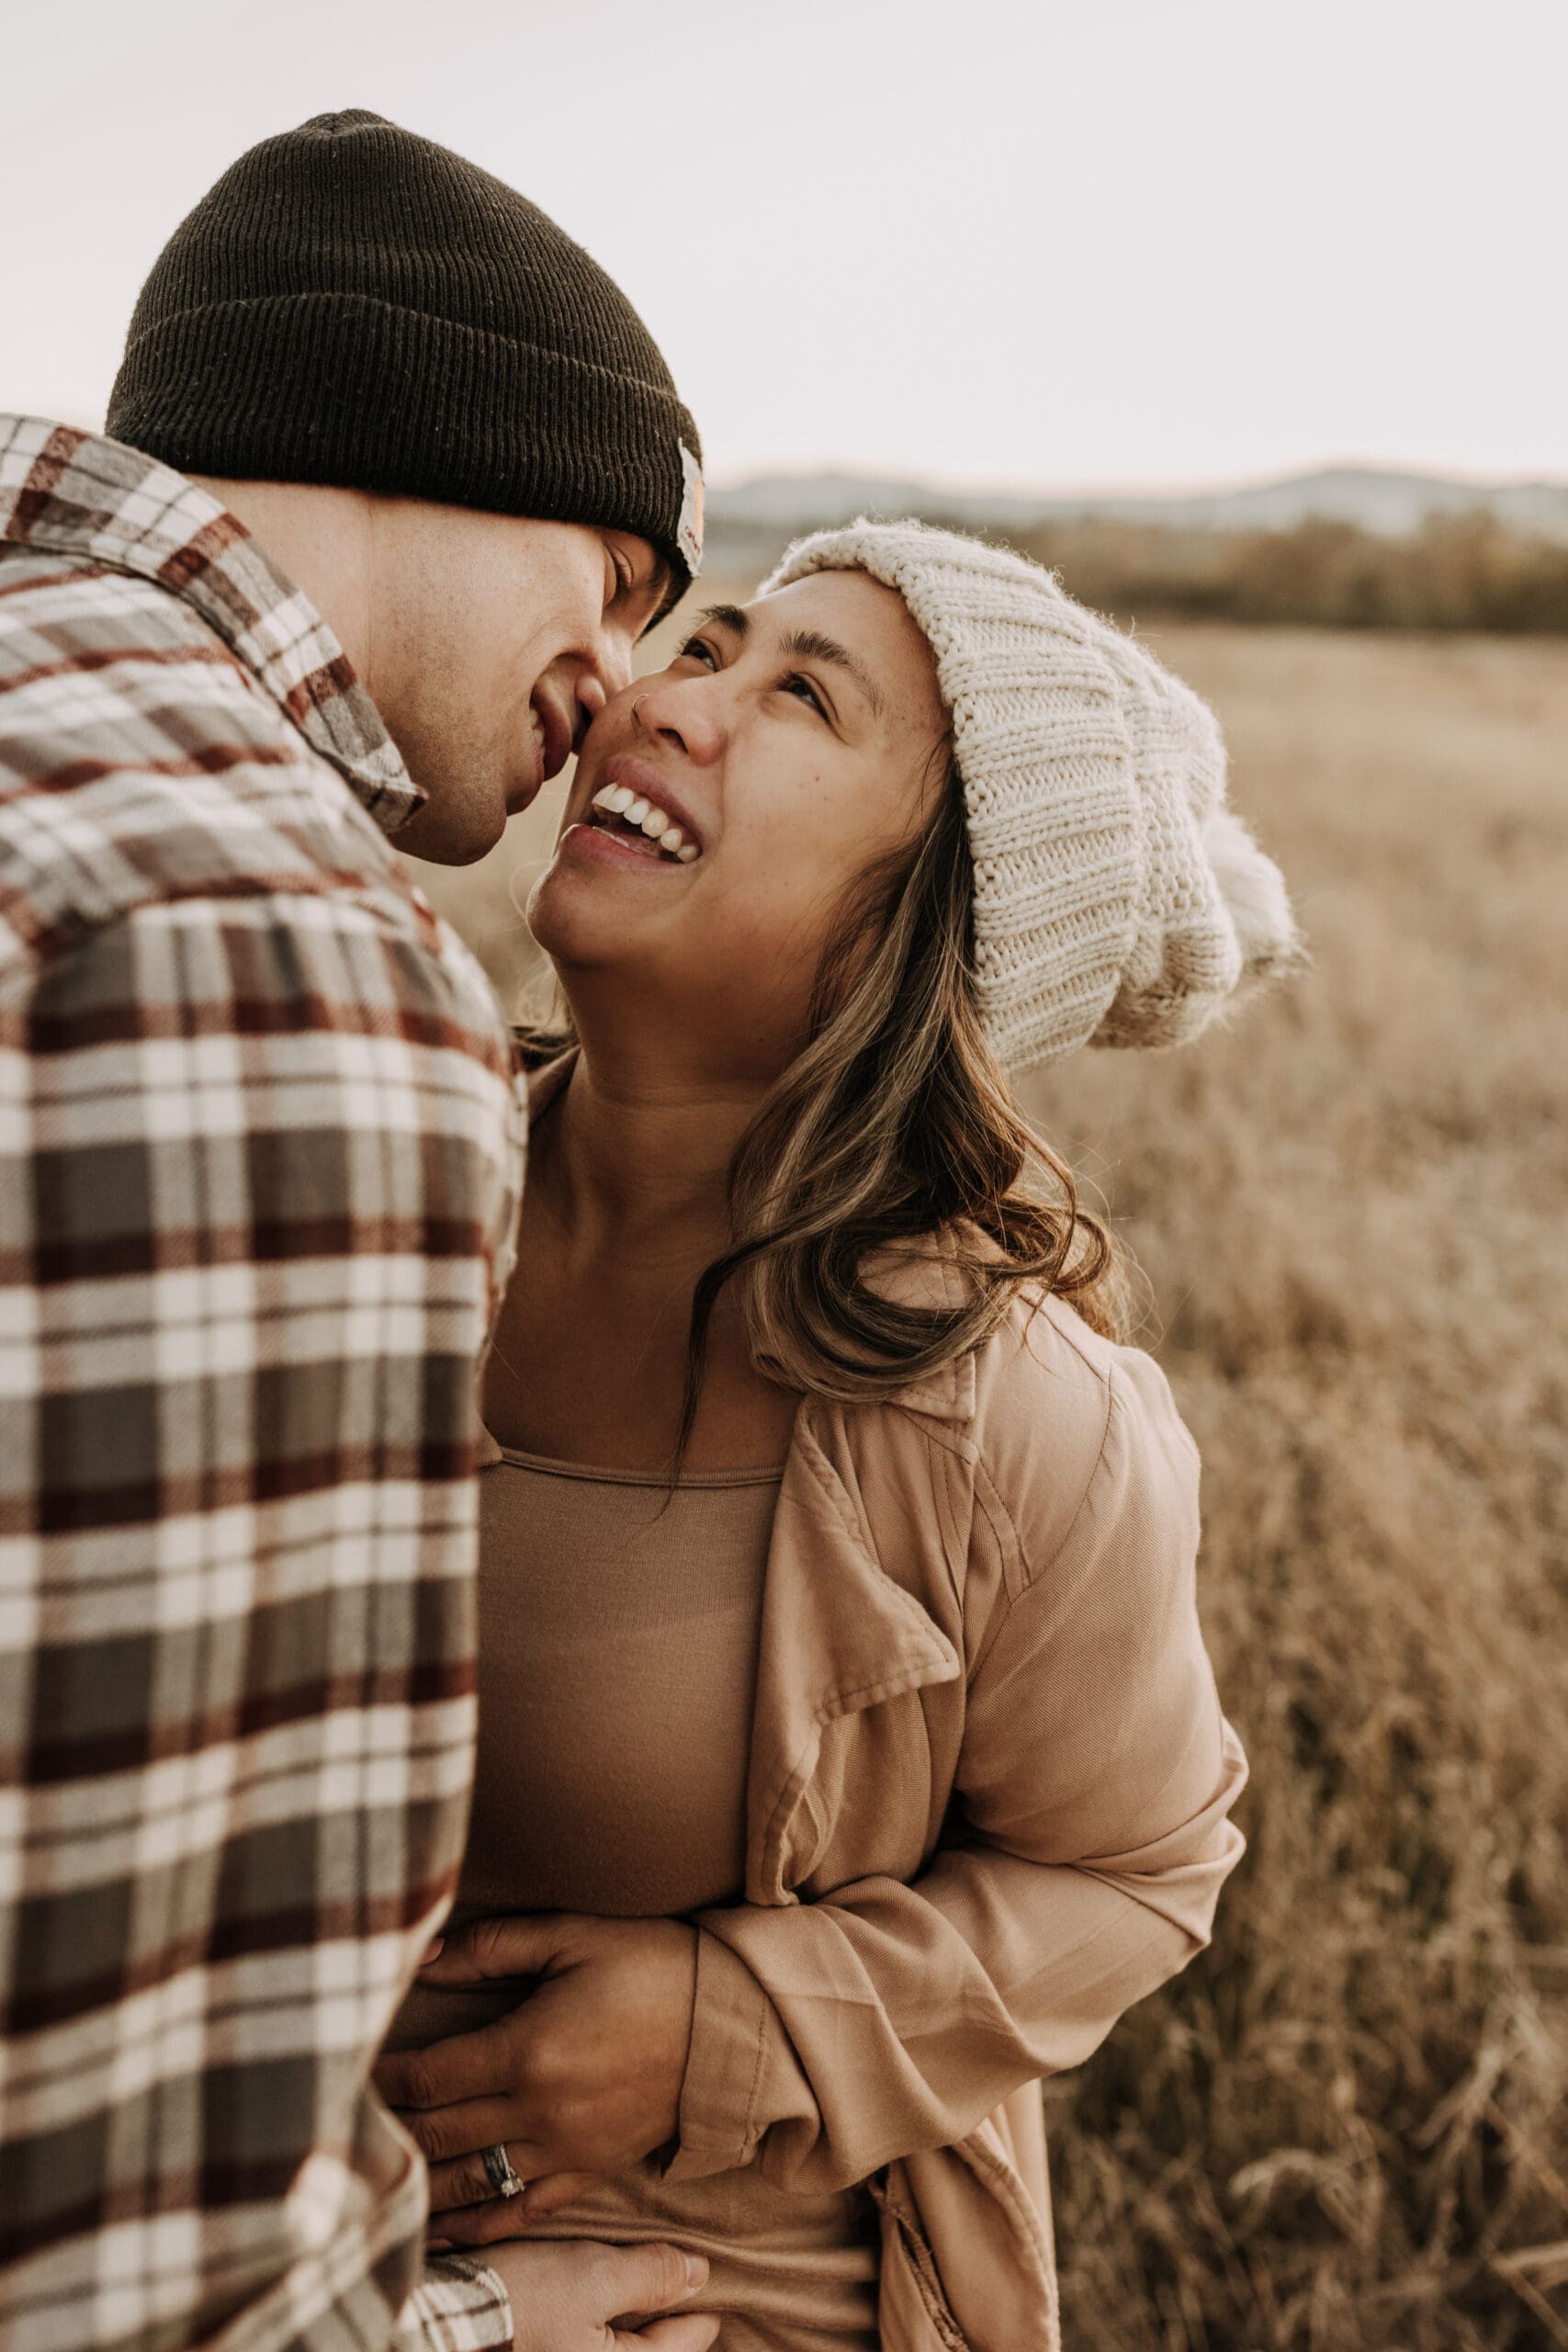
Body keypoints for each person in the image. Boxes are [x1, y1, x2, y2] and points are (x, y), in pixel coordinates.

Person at [373, 521, 1300, 2350]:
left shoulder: (1010, 1406)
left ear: (929, 920)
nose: (670, 701)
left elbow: (1136, 1871)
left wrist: (736, 2017)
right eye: (704, 647)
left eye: (798, 692)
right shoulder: (369, 1169)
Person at [0, 111, 718, 2352]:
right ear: (429, 429)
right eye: (620, 580)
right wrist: (453, 2330)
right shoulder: (261, 945)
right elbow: (138, 2193)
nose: (624, 680)